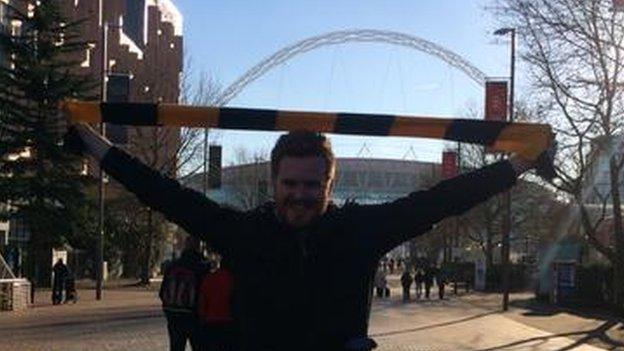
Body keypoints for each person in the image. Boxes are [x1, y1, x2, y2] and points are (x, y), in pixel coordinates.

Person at [70, 124, 538, 351]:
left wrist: (517, 165)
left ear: (329, 186)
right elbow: (163, 194)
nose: (300, 195)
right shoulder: (244, 233)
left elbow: (443, 200)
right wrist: (91, 141)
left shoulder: (359, 232)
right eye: (290, 184)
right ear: (274, 183)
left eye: (311, 185)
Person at [159, 236, 210, 351]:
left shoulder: (172, 266)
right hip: (193, 315)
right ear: (198, 247)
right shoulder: (202, 267)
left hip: (173, 313)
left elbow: (162, 292)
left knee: (176, 347)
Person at [198, 256, 236, 351]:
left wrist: (202, 318)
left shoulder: (209, 279)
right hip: (229, 323)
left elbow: (202, 301)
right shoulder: (233, 280)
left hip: (211, 322)